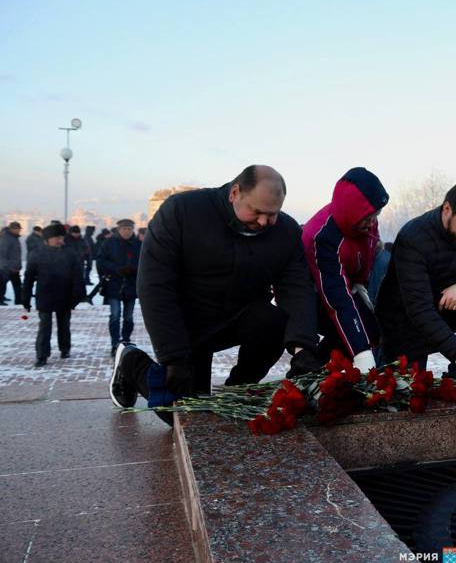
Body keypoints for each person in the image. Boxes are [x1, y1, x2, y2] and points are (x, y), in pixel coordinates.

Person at [108, 165, 320, 425]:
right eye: (257, 212)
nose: (265, 222)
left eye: (272, 214)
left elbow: (297, 289)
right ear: (234, 193)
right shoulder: (182, 212)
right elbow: (155, 285)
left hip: (241, 316)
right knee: (182, 417)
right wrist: (173, 356)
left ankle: (236, 392)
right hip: (188, 325)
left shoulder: (285, 232)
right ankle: (131, 362)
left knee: (275, 321)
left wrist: (303, 349)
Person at [376, 180, 456, 379]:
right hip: (406, 324)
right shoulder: (413, 237)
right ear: (447, 209)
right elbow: (419, 310)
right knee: (408, 392)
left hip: (446, 310)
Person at [302, 167, 389, 370]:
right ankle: (306, 373)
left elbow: (367, 250)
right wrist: (362, 354)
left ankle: (328, 373)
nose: (372, 223)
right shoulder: (322, 236)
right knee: (352, 333)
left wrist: (360, 281)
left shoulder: (365, 221)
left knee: (371, 329)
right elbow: (337, 299)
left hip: (348, 283)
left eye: (375, 216)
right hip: (312, 293)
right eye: (367, 218)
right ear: (352, 211)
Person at [22, 224, 85, 366]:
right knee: (45, 325)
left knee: (64, 324)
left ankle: (65, 348)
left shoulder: (70, 253)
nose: (59, 240)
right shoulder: (36, 254)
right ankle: (42, 355)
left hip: (65, 294)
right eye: (56, 238)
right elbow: (29, 278)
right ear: (47, 239)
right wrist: (25, 297)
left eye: (61, 237)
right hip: (45, 294)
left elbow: (78, 275)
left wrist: (77, 294)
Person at [97, 219, 141, 356]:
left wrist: (134, 269)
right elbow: (101, 261)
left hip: (131, 285)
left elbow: (145, 262)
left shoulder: (139, 244)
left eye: (129, 229)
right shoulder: (109, 243)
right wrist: (117, 269)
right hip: (114, 284)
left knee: (128, 317)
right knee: (115, 316)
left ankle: (126, 340)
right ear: (118, 229)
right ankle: (115, 343)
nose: (126, 232)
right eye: (124, 229)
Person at [0, 222, 23, 305]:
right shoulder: (6, 238)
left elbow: (15, 253)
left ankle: (19, 301)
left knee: (17, 286)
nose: (19, 230)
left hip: (14, 267)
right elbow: (2, 253)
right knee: (3, 284)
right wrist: (7, 267)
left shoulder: (14, 237)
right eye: (18, 229)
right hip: (8, 268)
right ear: (12, 229)